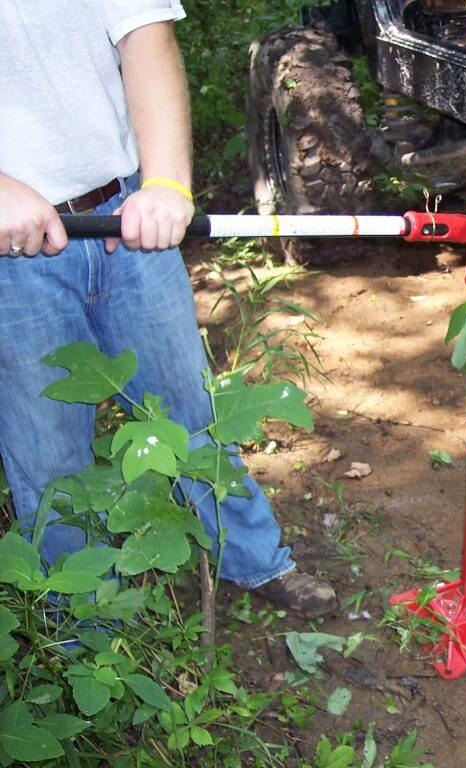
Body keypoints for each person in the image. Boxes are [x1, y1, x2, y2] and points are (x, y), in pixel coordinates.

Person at [0, 1, 337, 618]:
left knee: (193, 410)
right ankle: (78, 626)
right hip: (11, 252)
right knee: (49, 456)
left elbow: (145, 37)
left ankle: (252, 559)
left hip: (127, 217)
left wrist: (166, 183)